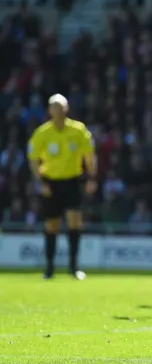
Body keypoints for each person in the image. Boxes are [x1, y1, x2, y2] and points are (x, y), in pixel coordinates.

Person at [27, 94, 97, 280]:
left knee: (75, 222)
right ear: (49, 110)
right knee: (51, 225)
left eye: (62, 107)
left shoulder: (78, 129)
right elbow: (33, 158)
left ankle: (74, 267)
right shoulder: (42, 133)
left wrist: (91, 178)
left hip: (72, 181)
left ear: (67, 109)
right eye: (55, 107)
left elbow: (89, 155)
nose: (59, 110)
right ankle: (49, 268)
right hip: (51, 182)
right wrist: (40, 182)